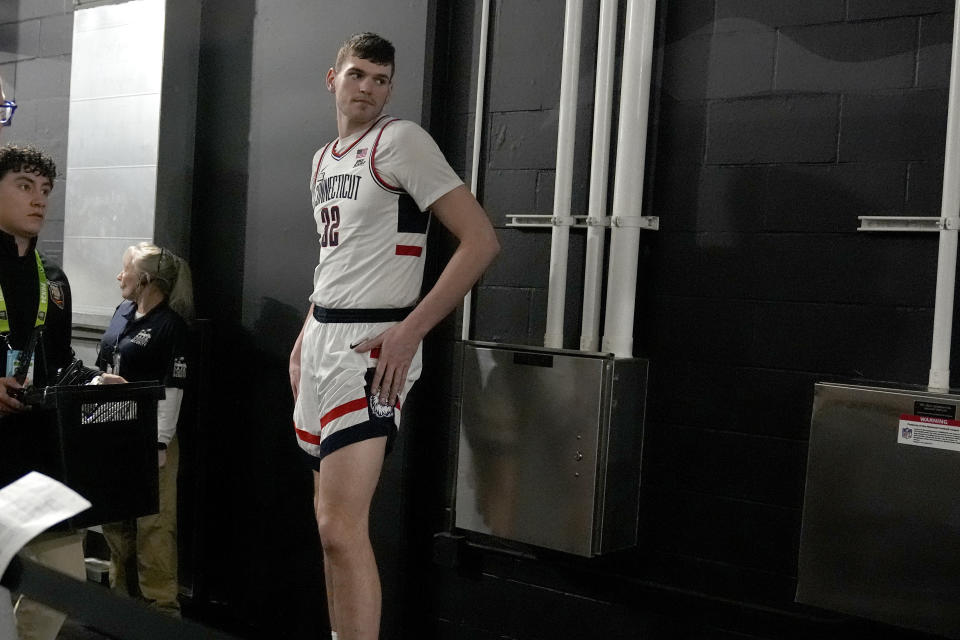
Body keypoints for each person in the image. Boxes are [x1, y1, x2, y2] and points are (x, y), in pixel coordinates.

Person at [290, 32, 499, 640]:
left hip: (374, 341)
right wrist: (307, 329)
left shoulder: (401, 141)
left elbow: (481, 240)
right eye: (358, 75)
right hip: (324, 335)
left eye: (381, 80)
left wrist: (410, 332)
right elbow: (336, 259)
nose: (369, 88)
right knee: (325, 527)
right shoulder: (323, 158)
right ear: (333, 78)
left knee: (340, 526)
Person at [0, 143, 86, 640]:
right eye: (25, 186)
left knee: (62, 585)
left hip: (35, 458)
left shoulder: (53, 279)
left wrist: (95, 380)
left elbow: (60, 359)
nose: (39, 200)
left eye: (46, 190)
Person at [95, 242, 193, 616]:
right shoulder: (123, 311)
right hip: (114, 431)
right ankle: (122, 608)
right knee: (116, 523)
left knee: (153, 525)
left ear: (146, 280)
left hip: (150, 436)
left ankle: (161, 611)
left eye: (126, 271)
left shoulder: (170, 326)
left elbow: (173, 389)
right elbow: (107, 362)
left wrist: (160, 442)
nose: (120, 277)